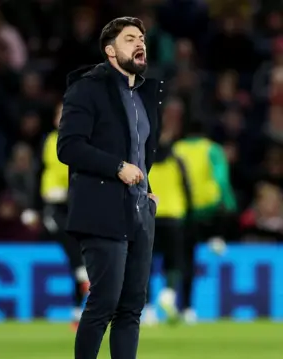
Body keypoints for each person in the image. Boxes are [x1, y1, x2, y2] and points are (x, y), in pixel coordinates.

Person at [57, 17, 163, 359]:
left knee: (131, 309)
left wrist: (147, 190)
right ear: (110, 51)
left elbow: (138, 151)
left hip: (138, 211)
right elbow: (69, 147)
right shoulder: (87, 88)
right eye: (130, 38)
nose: (139, 43)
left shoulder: (145, 95)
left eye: (142, 38)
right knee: (104, 302)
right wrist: (117, 168)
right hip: (102, 209)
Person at [173, 120, 237, 324]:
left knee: (185, 260)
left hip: (183, 209)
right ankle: (216, 238)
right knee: (213, 231)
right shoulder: (212, 149)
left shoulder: (177, 148)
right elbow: (222, 178)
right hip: (209, 209)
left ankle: (185, 308)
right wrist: (229, 204)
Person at [41, 102, 90, 328]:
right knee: (73, 249)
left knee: (81, 256)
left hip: (76, 202)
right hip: (55, 206)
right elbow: (41, 171)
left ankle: (76, 313)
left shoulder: (81, 140)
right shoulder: (50, 141)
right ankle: (82, 277)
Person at [143, 122, 192, 326]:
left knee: (145, 265)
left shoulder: (144, 160)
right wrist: (189, 215)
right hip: (173, 217)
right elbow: (187, 190)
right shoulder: (177, 160)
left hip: (149, 216)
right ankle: (168, 294)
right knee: (174, 261)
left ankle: (148, 309)